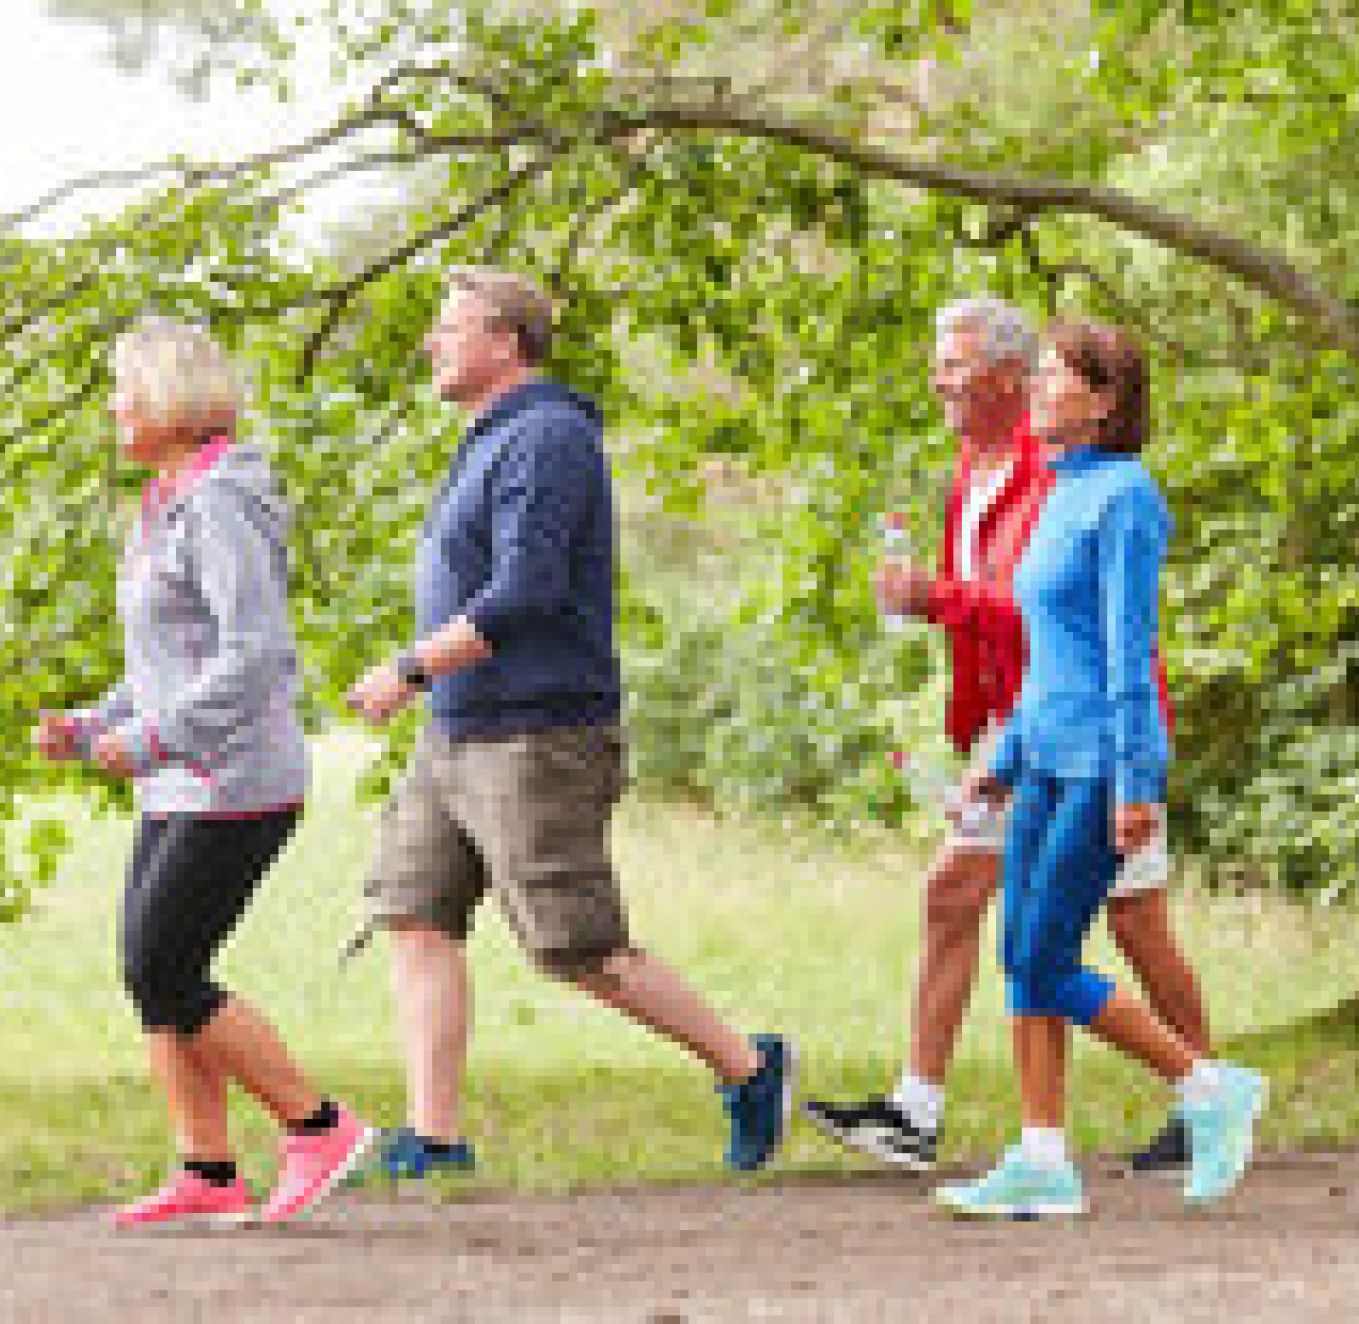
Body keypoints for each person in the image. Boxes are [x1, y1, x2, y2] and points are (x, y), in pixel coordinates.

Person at [345, 267, 793, 1181]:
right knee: (414, 914)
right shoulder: (486, 440)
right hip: (458, 731)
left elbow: (527, 591)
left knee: (572, 944)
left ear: (506, 341)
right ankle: (435, 1140)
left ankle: (749, 1069)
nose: (432, 342)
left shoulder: (547, 437)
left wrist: (409, 667)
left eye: (450, 327)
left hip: (537, 734)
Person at [804, 298, 1207, 1174]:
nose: (938, 378)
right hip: (1026, 726)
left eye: (954, 364)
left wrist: (935, 598)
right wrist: (987, 732)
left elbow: (1059, 623)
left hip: (1092, 732)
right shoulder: (974, 465)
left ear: (1010, 376)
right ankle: (937, 1116)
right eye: (938, 363)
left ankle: (1203, 1093)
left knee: (1128, 923)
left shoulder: (1064, 476)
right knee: (964, 900)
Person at [34, 317, 374, 1228]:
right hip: (181, 780)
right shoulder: (166, 498)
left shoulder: (224, 500)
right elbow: (167, 658)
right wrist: (94, 723)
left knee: (163, 964)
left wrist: (150, 740)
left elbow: (254, 654)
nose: (113, 407)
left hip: (236, 781)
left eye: (125, 391)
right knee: (152, 971)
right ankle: (207, 1170)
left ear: (171, 402)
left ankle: (319, 1125)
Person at [933, 320, 1263, 1218]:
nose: (1037, 388)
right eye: (1035, 374)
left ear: (1105, 399)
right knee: (1020, 957)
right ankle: (1043, 1158)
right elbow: (1049, 657)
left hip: (1095, 772)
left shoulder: (1126, 497)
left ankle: (1208, 1088)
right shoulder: (1059, 491)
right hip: (1039, 760)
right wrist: (997, 764)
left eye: (1054, 376)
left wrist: (1137, 785)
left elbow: (1128, 656)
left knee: (1042, 960)